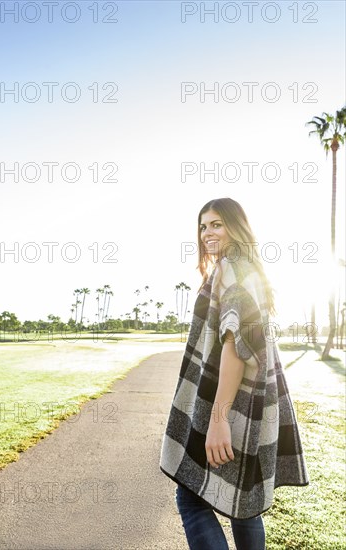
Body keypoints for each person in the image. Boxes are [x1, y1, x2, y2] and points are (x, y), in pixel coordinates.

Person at [159, 198, 310, 550]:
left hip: (236, 405)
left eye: (216, 224)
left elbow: (236, 346)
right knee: (244, 509)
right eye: (202, 226)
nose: (207, 232)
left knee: (191, 496)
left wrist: (219, 417)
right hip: (255, 405)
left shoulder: (232, 268)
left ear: (235, 227)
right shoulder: (249, 270)